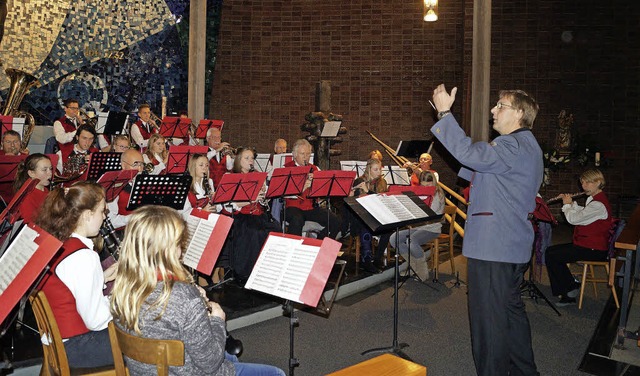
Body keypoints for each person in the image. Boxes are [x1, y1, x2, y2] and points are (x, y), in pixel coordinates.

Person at [431, 84, 542, 376]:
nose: (493, 110)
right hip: (509, 246)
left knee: (488, 324)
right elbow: (477, 165)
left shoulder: (511, 145)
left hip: (494, 246)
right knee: (510, 314)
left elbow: (471, 154)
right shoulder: (527, 145)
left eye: (500, 105)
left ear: (519, 113)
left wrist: (444, 114)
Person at [110, 205, 285, 376]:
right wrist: (217, 319)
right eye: (179, 244)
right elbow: (210, 363)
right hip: (194, 371)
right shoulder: (183, 297)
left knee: (229, 355)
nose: (181, 250)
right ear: (166, 250)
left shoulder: (123, 288)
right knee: (276, 373)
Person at [35, 182, 116, 368]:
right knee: (148, 337)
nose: (104, 217)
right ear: (88, 215)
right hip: (78, 347)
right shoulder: (84, 257)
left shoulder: (59, 241)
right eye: (102, 211)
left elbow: (69, 286)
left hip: (58, 342)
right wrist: (123, 300)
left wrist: (101, 278)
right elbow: (97, 320)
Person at [545, 169, 612, 306]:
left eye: (588, 182)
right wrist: (573, 204)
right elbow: (584, 212)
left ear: (598, 182)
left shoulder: (598, 204)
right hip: (586, 245)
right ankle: (570, 285)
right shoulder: (594, 199)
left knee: (553, 256)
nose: (584, 186)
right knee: (550, 252)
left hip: (594, 249)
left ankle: (569, 292)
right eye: (582, 182)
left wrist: (567, 205)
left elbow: (574, 220)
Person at [219, 148, 281, 284]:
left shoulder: (258, 176)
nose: (250, 161)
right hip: (241, 216)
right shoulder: (231, 177)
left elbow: (264, 200)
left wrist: (263, 194)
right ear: (238, 160)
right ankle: (248, 273)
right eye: (246, 158)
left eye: (252, 158)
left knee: (275, 229)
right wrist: (251, 199)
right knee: (255, 233)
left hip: (258, 214)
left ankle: (269, 271)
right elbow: (230, 204)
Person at [389, 170, 445, 280]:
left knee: (412, 240)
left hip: (432, 228)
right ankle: (414, 267)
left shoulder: (438, 194)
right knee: (394, 238)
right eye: (423, 186)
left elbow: (429, 215)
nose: (426, 188)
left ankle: (422, 271)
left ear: (433, 182)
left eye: (429, 185)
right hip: (418, 227)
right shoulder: (419, 193)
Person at [284, 139, 341, 239]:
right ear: (294, 155)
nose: (306, 157)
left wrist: (316, 184)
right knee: (297, 220)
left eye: (308, 154)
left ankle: (319, 243)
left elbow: (324, 191)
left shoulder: (315, 169)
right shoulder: (286, 169)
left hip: (311, 208)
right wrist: (302, 187)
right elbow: (283, 193)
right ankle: (294, 249)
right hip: (293, 207)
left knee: (335, 220)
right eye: (302, 154)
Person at [349, 158, 391, 273]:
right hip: (360, 218)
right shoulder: (359, 181)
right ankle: (366, 260)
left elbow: (382, 202)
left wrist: (368, 191)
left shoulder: (382, 182)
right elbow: (354, 205)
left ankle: (377, 259)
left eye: (379, 169)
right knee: (366, 225)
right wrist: (352, 194)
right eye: (375, 169)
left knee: (389, 229)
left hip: (377, 216)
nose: (378, 172)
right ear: (369, 170)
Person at [106, 149, 145, 229]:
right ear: (123, 165)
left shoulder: (145, 182)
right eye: (135, 165)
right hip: (124, 232)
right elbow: (111, 221)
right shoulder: (114, 187)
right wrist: (135, 217)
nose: (140, 169)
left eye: (142, 165)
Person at [13, 154, 53, 223]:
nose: (50, 173)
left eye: (50, 169)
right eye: (44, 170)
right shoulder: (26, 196)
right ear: (31, 173)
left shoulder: (46, 191)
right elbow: (30, 224)